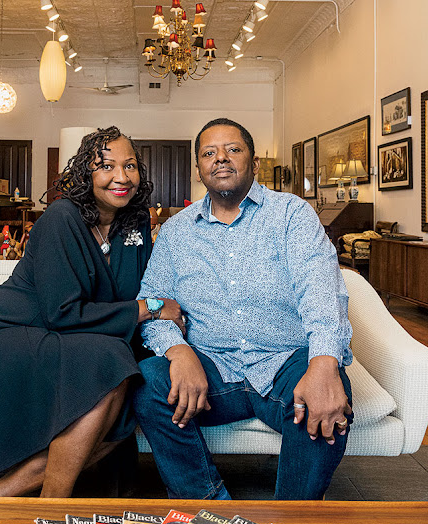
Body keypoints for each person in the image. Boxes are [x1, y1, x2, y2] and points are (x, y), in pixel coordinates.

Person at [0, 126, 184, 498]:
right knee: (112, 361)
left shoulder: (136, 221)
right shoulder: (61, 218)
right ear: (85, 173)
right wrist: (151, 309)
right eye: (106, 166)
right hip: (4, 336)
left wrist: (176, 345)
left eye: (130, 166)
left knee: (131, 383)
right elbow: (64, 313)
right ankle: (51, 505)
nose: (121, 177)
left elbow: (139, 287)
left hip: (68, 340)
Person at [134, 117, 353, 501]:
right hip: (211, 370)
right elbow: (155, 300)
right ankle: (208, 510)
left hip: (285, 362)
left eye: (233, 149)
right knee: (149, 382)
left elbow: (321, 291)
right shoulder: (175, 232)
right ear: (198, 169)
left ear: (254, 163)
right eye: (209, 153)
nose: (221, 158)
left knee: (325, 389)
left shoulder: (291, 214)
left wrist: (323, 362)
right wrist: (179, 351)